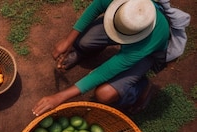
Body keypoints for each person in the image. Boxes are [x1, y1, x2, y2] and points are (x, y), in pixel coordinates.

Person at [32, 0, 170, 116]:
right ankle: (83, 52)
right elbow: (97, 6)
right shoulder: (126, 6)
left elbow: (106, 70)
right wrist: (69, 40)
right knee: (83, 41)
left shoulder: (150, 40)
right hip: (126, 28)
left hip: (147, 54)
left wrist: (60, 96)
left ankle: (142, 88)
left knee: (105, 94)